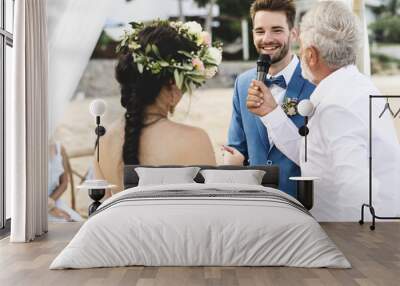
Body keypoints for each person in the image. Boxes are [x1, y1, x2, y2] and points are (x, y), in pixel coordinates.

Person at [246, 1, 400, 221]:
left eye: (301, 48)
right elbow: (312, 154)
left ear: (311, 55)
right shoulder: (356, 87)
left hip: (349, 239)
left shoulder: (337, 105)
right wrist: (272, 112)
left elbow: (356, 192)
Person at [94, 20, 222, 195]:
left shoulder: (103, 144)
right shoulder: (194, 140)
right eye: (184, 83)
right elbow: (209, 212)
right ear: (172, 84)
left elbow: (103, 211)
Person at [224, 0, 315, 197]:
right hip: (256, 202)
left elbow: (320, 157)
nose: (267, 38)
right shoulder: (243, 82)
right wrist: (231, 158)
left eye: (276, 30)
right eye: (259, 31)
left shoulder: (314, 82)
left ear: (294, 33)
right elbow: (237, 147)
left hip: (302, 203)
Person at [48, 142, 83, 222]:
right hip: (32, 204)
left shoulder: (59, 148)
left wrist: (50, 203)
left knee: (78, 221)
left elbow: (64, 183)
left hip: (54, 199)